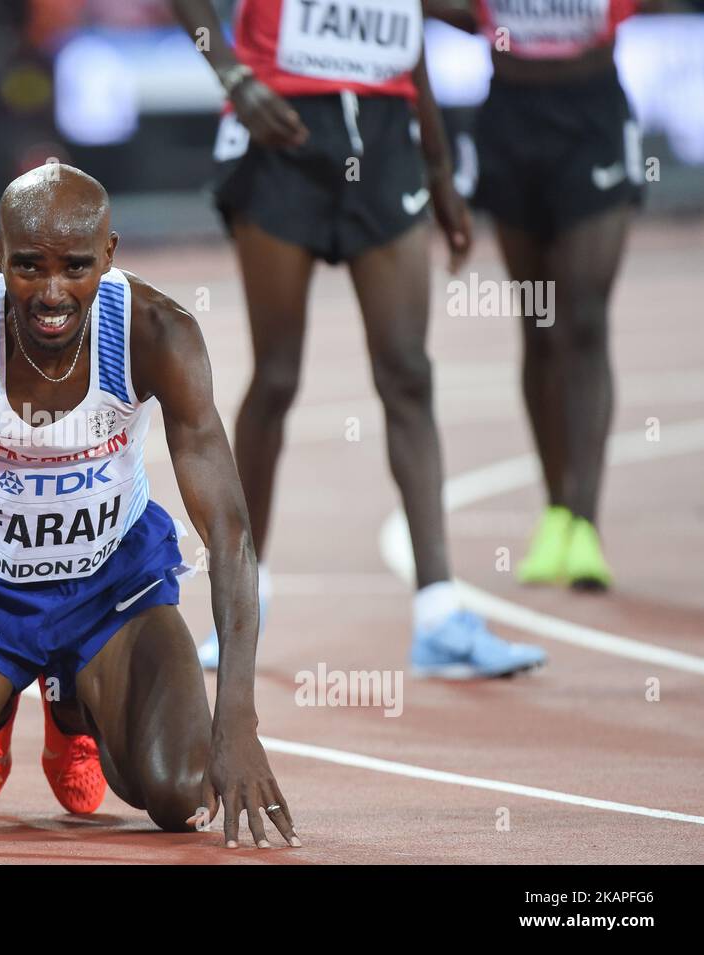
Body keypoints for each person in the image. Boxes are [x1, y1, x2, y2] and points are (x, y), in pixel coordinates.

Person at [0, 164, 300, 851]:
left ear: (110, 255)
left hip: (111, 591)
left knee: (185, 793)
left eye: (76, 267)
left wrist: (238, 719)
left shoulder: (159, 334)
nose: (52, 292)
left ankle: (73, 703)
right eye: (28, 266)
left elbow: (230, 532)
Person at [168, 0, 547, 677]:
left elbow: (412, 34)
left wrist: (437, 168)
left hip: (384, 138)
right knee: (277, 376)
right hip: (282, 127)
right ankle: (239, 605)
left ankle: (439, 614)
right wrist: (232, 77)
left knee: (408, 370)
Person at [430, 0, 643, 590]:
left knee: (586, 320)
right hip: (511, 116)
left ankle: (585, 523)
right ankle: (554, 512)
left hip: (592, 111)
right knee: (540, 321)